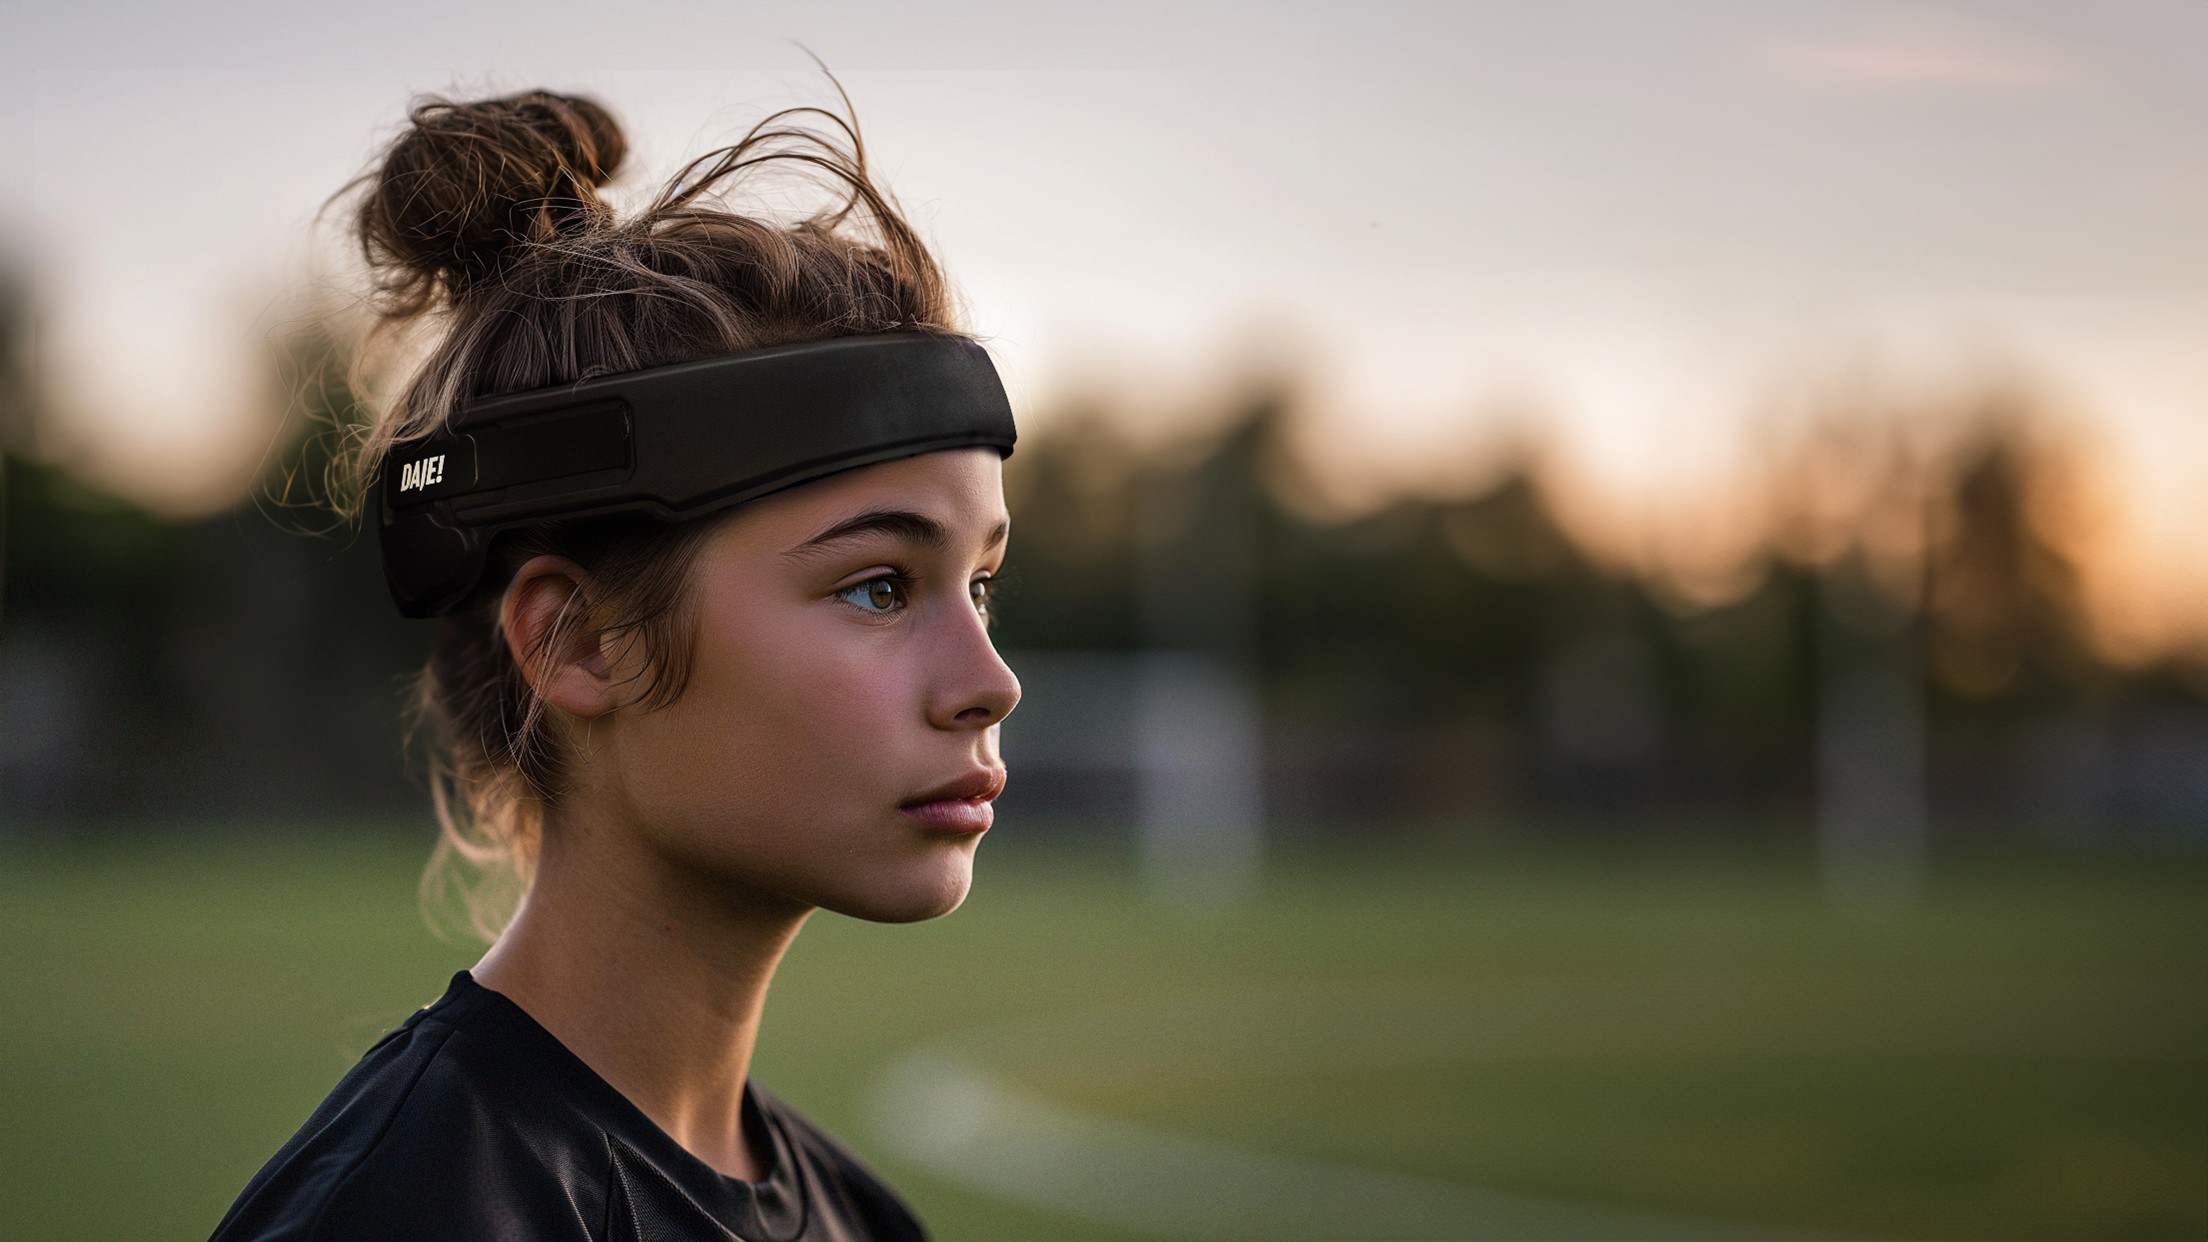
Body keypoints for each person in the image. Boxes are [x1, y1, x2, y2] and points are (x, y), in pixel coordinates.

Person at [207, 84, 1020, 1242]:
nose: (991, 681)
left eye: (980, 584)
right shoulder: (414, 1212)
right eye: (878, 586)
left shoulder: (856, 1219)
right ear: (577, 643)